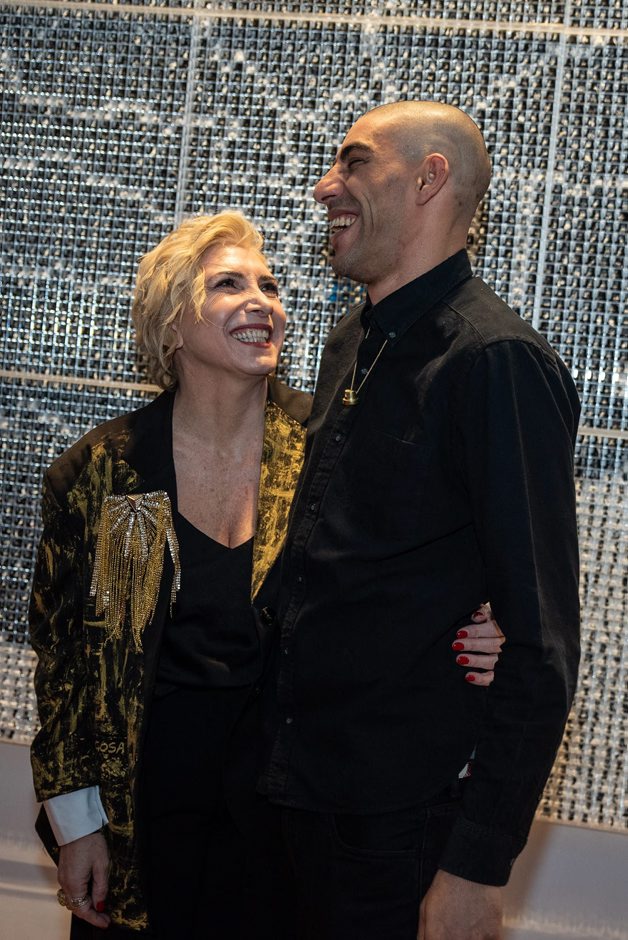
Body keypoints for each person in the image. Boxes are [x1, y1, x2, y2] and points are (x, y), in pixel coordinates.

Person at [29, 209, 501, 938]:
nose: (262, 302)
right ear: (170, 325)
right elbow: (66, 665)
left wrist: (487, 628)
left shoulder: (331, 451)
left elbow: (407, 586)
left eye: (270, 287)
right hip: (146, 815)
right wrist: (76, 825)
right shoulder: (102, 474)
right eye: (229, 285)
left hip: (297, 813)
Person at [259, 101, 581, 940]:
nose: (325, 186)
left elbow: (542, 647)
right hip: (295, 802)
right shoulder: (351, 340)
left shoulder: (495, 362)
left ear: (429, 179)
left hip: (398, 829)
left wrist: (476, 866)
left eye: (354, 162)